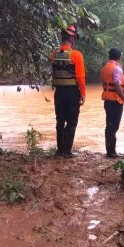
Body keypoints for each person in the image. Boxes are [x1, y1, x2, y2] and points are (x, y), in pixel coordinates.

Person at [51, 25, 85, 158]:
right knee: (71, 122)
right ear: (72, 38)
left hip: (59, 93)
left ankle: (60, 150)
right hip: (72, 93)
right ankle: (67, 151)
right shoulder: (76, 55)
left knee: (60, 121)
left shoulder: (54, 53)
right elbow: (80, 77)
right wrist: (82, 94)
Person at [100, 48, 124, 158]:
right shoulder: (117, 69)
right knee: (113, 127)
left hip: (108, 101)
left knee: (109, 126)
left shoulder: (105, 68)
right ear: (119, 57)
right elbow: (116, 84)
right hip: (115, 101)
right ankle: (111, 152)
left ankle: (110, 151)